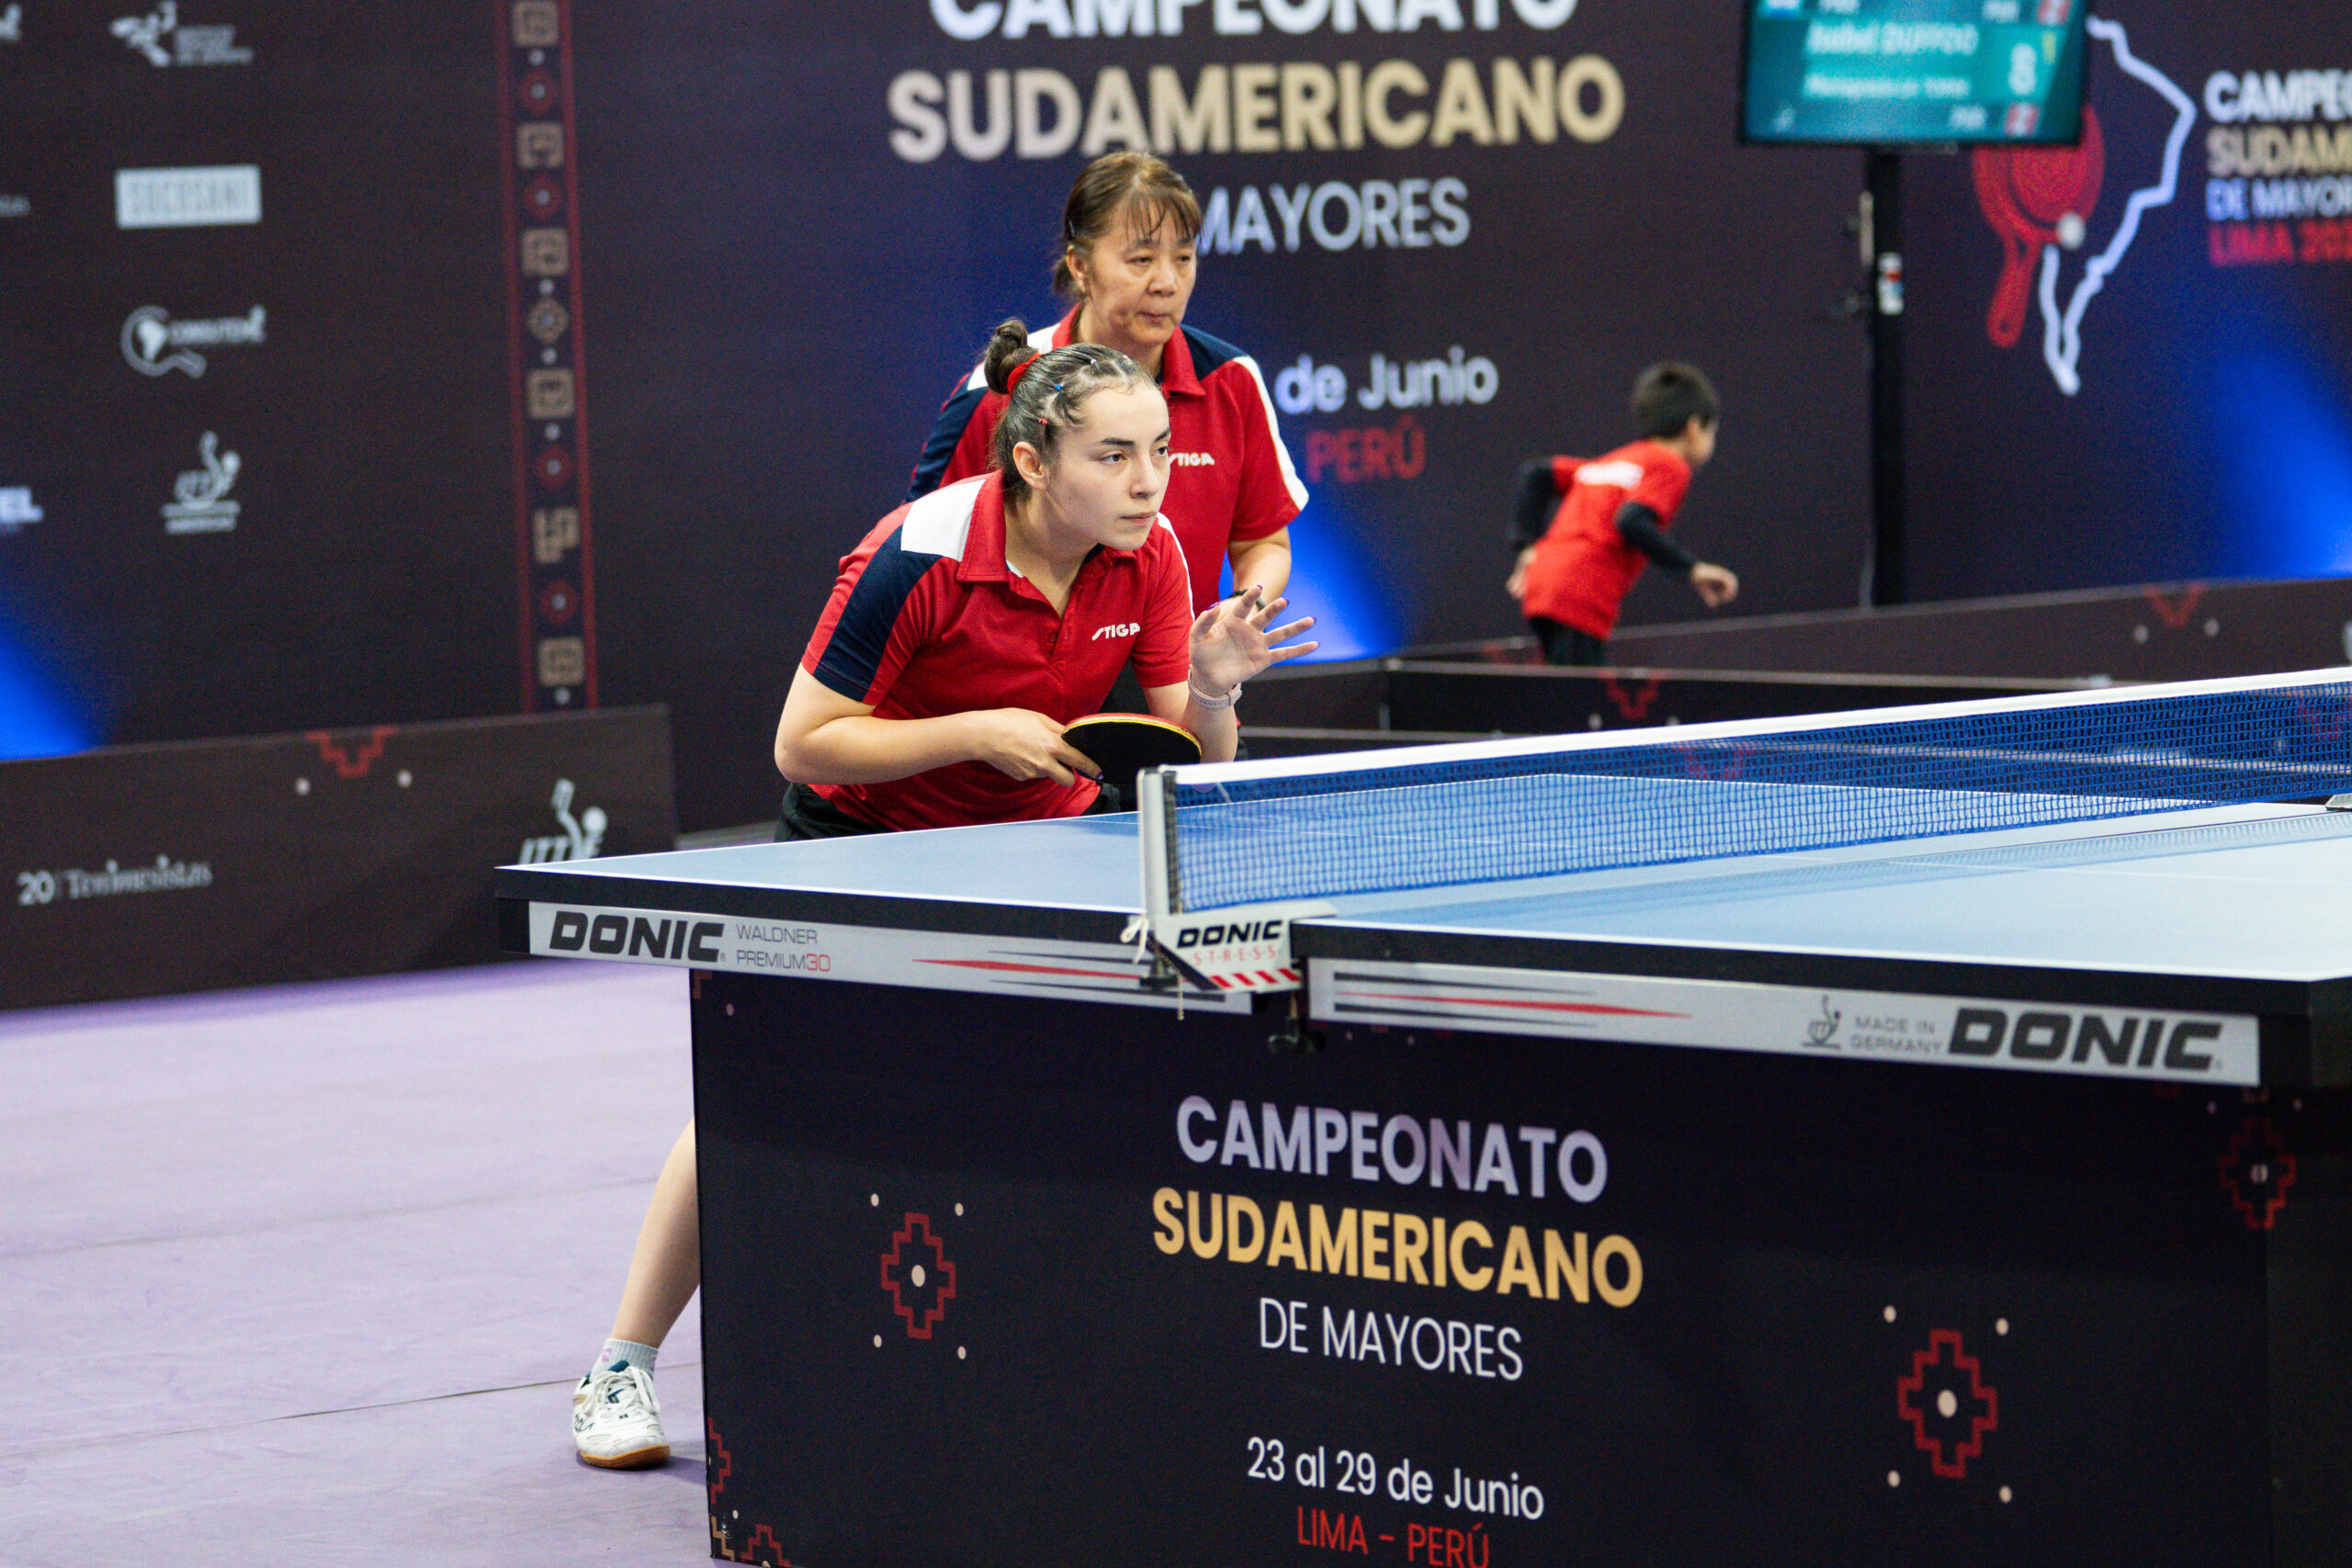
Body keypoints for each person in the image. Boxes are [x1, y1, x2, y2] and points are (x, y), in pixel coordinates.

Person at [571, 326, 1317, 1469]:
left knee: (1045, 1108)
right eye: (1114, 456)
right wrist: (971, 731)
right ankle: (622, 1366)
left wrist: (1215, 691)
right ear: (1033, 463)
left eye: (1160, 452)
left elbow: (1191, 757)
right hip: (862, 848)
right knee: (750, 1108)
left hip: (1033, 857)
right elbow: (801, 745)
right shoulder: (917, 553)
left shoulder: (1153, 551)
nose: (1148, 481)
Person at [910, 150, 1304, 627]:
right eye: (1141, 259)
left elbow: (1264, 542)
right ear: (1079, 266)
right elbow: (921, 552)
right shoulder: (1004, 386)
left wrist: (1242, 612)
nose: (1167, 282)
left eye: (1183, 258)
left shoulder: (1230, 379)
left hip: (1178, 681)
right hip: (1023, 685)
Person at [1503, 363, 1740, 667]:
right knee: (1580, 702)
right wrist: (1691, 569)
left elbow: (1535, 473)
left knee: (1563, 694)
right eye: (1713, 432)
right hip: (1581, 593)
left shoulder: (1614, 462)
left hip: (1543, 587)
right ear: (1694, 428)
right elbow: (1631, 521)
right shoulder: (1671, 466)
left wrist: (1526, 546)